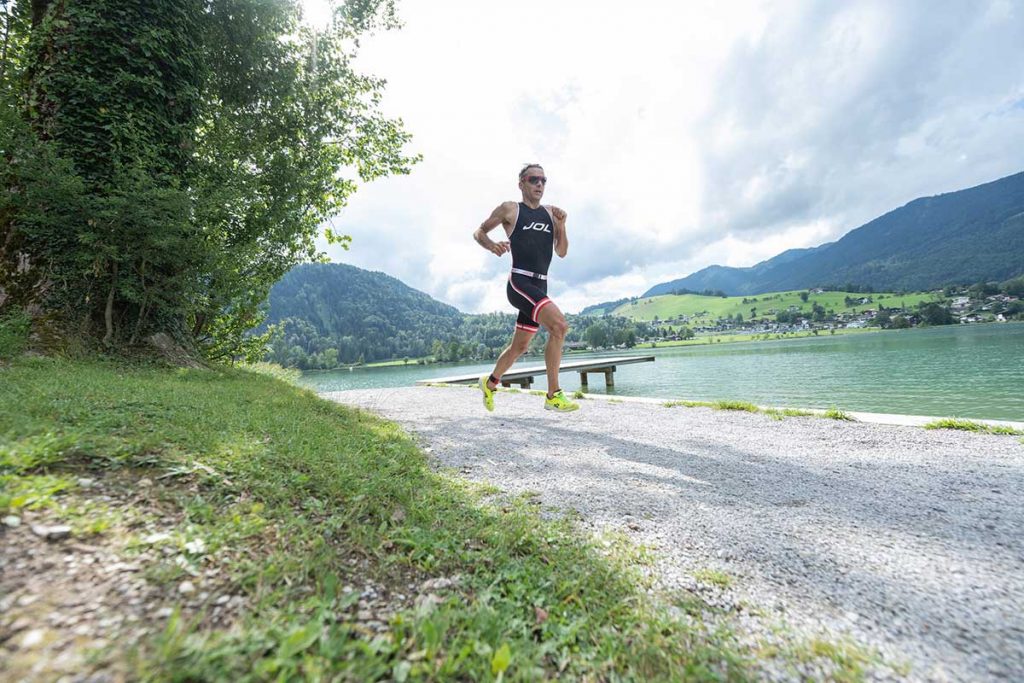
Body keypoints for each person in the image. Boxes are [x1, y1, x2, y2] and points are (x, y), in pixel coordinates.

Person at [472, 163, 580, 413]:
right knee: (559, 326)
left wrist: (561, 226)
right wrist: (491, 245)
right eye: (533, 180)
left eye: (543, 180)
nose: (539, 184)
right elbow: (479, 231)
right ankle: (553, 394)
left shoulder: (552, 213)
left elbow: (561, 252)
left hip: (540, 284)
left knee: (520, 347)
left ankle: (489, 383)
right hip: (520, 283)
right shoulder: (510, 209)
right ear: (521, 183)